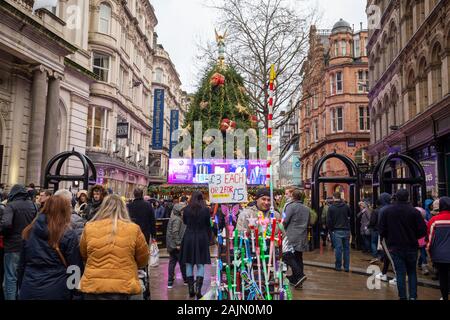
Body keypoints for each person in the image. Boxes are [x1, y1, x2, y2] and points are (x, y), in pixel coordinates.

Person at [79, 194, 150, 300]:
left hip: (94, 286)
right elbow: (143, 259)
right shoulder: (133, 229)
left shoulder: (89, 227)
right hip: (124, 286)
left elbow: (83, 255)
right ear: (123, 209)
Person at [17, 195, 83, 300]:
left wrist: (22, 286)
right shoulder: (67, 233)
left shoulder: (29, 230)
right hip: (57, 288)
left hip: (29, 286)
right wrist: (76, 294)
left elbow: (21, 265)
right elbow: (74, 268)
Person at [379, 189, 427, 300]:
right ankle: (413, 296)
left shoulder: (388, 211)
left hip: (395, 246)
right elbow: (423, 230)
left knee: (400, 273)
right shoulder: (414, 211)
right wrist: (413, 236)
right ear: (408, 198)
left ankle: (402, 297)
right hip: (411, 246)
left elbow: (381, 229)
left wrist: (389, 237)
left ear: (396, 197)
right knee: (412, 272)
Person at [0, 184, 38, 300]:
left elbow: (6, 224)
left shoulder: (11, 206)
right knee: (23, 277)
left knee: (10, 279)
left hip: (12, 247)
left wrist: (3, 233)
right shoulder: (33, 205)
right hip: (28, 246)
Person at [180, 192, 212, 299]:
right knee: (200, 263)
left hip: (188, 237)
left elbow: (184, 222)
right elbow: (208, 224)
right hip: (201, 237)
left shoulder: (186, 209)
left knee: (189, 263)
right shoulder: (206, 210)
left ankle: (190, 289)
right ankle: (198, 289)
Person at [282, 188, 310, 288]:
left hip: (291, 235)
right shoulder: (306, 208)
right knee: (298, 258)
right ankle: (297, 280)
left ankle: (299, 275)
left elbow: (285, 221)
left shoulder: (291, 206)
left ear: (293, 196)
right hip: (302, 235)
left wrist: (281, 228)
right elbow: (309, 222)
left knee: (286, 255)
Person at [427, 196, 450, 301]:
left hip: (439, 255)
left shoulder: (434, 220)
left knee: (443, 277)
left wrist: (430, 253)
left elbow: (429, 240)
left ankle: (445, 297)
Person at [166, 196, 188, 288]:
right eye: (182, 210)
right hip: (176, 245)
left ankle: (170, 281)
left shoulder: (173, 217)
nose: (183, 212)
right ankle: (185, 280)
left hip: (171, 244)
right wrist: (178, 243)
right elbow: (175, 232)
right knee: (182, 262)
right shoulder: (177, 219)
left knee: (172, 262)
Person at [327, 192, 351, 272]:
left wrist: (331, 230)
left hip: (336, 230)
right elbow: (349, 216)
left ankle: (338, 266)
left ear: (334, 197)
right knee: (346, 249)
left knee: (338, 249)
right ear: (340, 197)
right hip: (346, 230)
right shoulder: (346, 206)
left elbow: (329, 221)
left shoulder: (331, 208)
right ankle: (346, 267)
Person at [416, 207, 430, 275]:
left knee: (422, 253)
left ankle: (420, 264)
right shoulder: (426, 221)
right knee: (423, 253)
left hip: (417, 240)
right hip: (424, 240)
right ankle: (423, 265)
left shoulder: (414, 222)